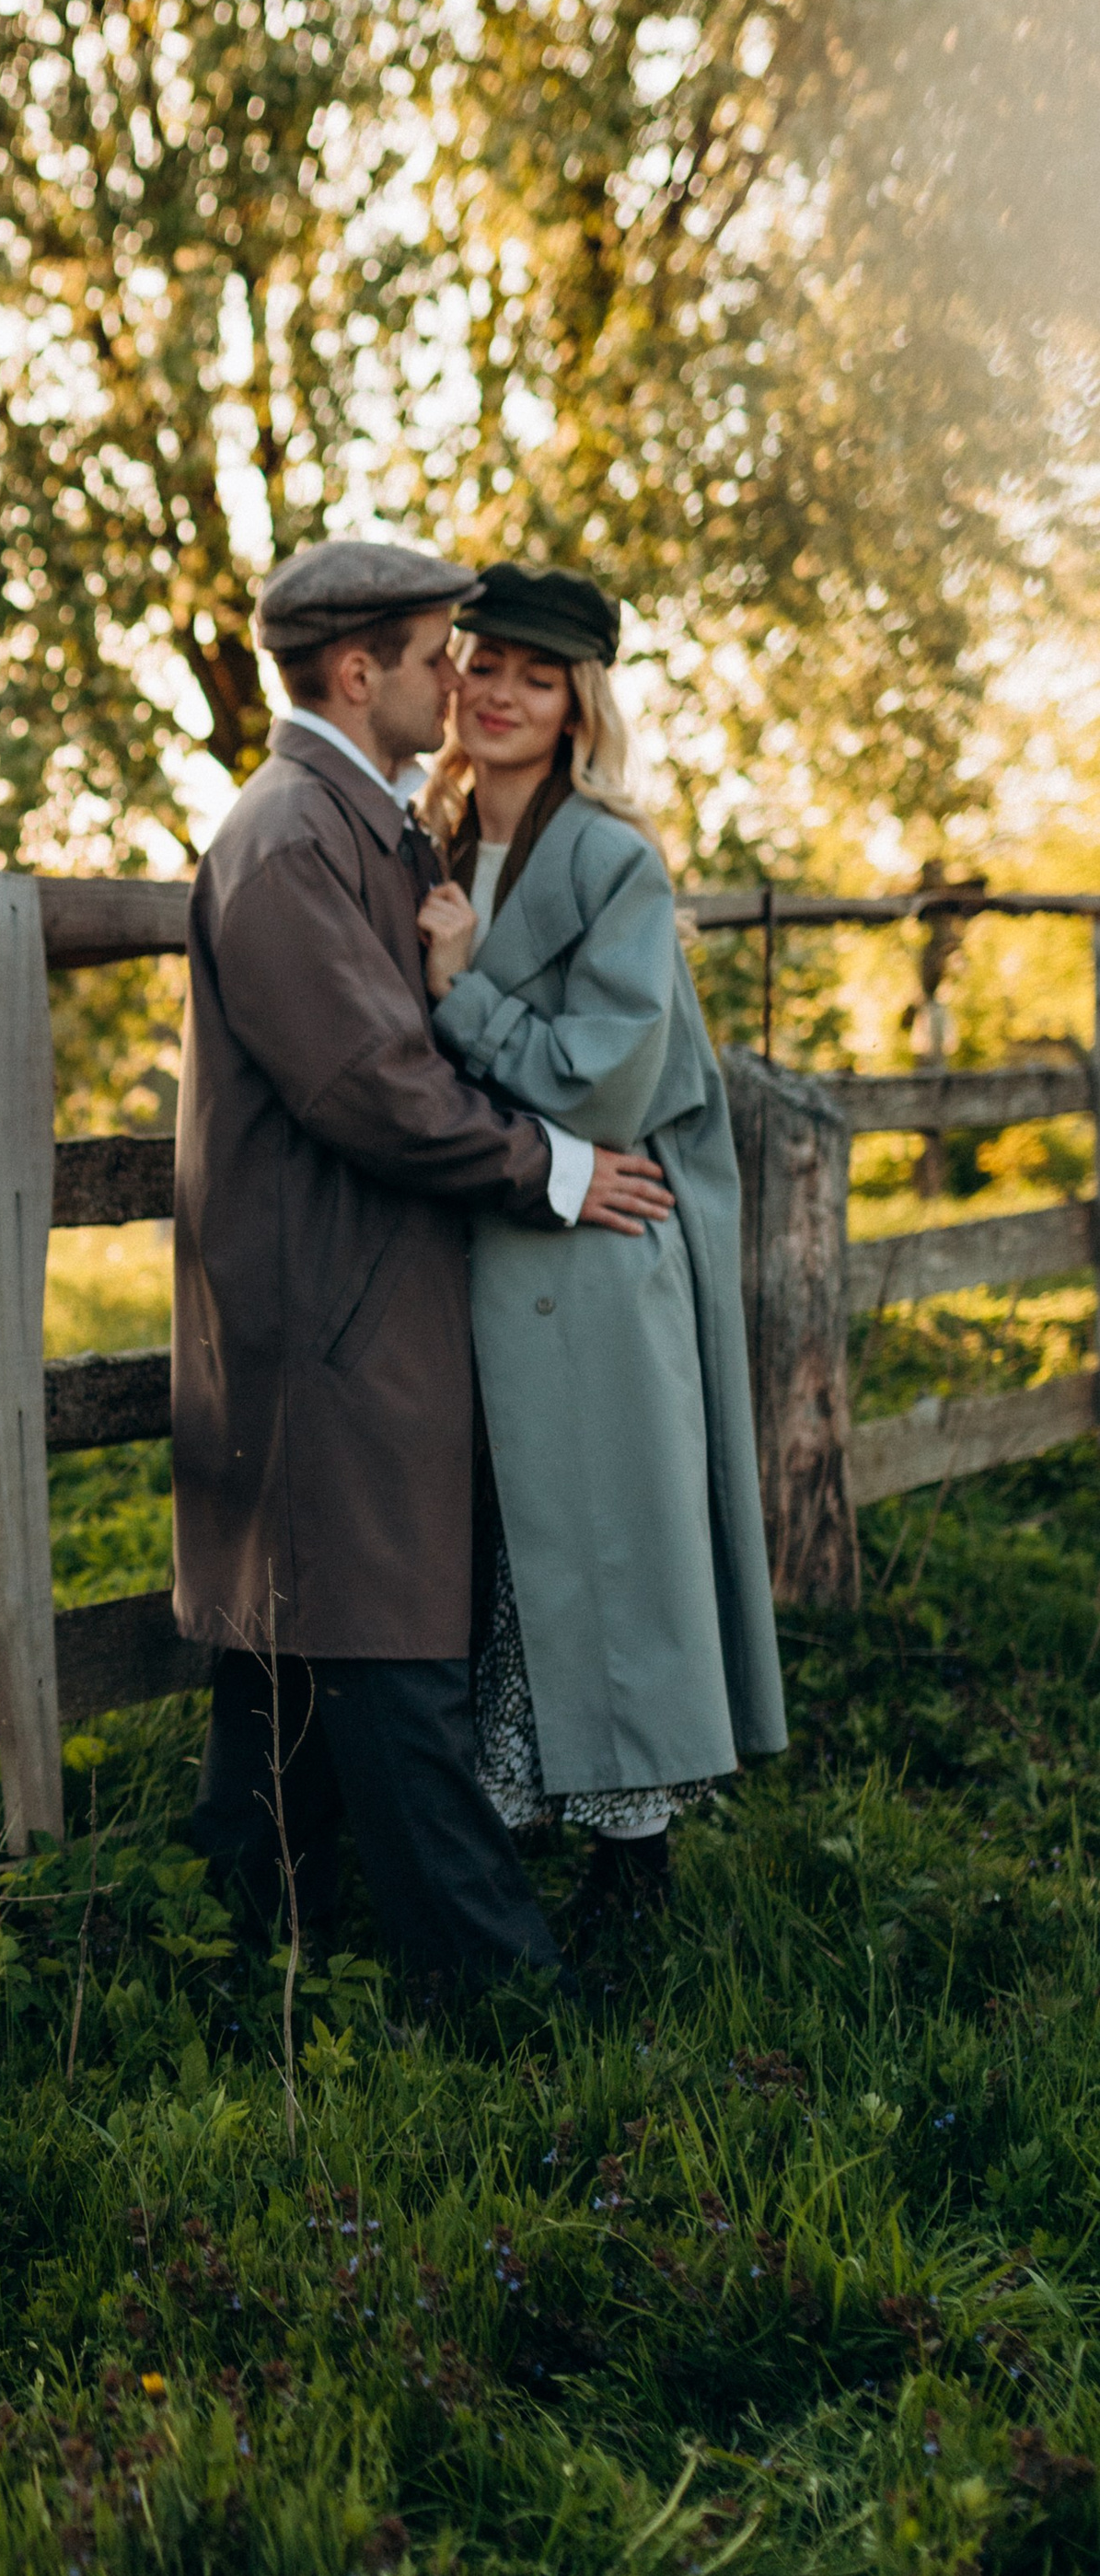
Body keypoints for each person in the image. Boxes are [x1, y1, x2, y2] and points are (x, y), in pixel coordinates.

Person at [171, 536, 674, 1993]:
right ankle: (498, 1986)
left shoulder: (364, 821)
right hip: (327, 1304)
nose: (460, 677)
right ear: (357, 672)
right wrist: (556, 1169)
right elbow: (371, 1087)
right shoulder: (291, 836)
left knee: (301, 1641)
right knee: (388, 1655)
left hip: (354, 1296)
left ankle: (257, 1924)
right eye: (440, 652)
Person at [413, 561, 786, 1936]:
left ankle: (634, 1878)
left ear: (578, 705)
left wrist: (460, 992)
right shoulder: (429, 845)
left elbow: (601, 1084)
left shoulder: (613, 859)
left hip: (595, 1257)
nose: (502, 695)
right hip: (480, 1250)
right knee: (504, 1559)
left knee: (605, 1556)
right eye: (484, 665)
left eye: (538, 676)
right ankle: (505, 1847)